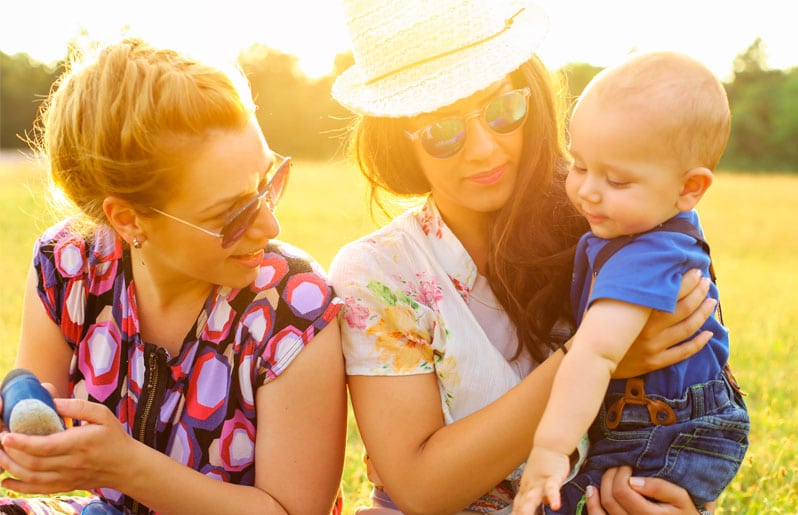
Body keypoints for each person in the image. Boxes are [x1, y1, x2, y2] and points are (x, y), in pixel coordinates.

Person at [328, 0, 719, 513]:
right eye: (443, 131)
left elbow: (695, 400)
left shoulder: (618, 220)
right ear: (400, 140)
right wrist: (597, 356)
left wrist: (679, 502)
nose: (486, 149)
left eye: (502, 109)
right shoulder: (378, 272)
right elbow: (421, 488)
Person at [0, 38, 347, 515]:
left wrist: (126, 467)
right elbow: (38, 422)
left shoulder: (293, 304)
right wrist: (29, 448)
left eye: (267, 185)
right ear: (127, 220)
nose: (271, 227)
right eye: (232, 212)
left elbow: (292, 511)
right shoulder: (68, 266)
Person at [513, 51, 750, 515]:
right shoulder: (660, 216)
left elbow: (595, 352)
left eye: (617, 180)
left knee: (564, 504)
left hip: (661, 431)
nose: (587, 191)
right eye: (579, 165)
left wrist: (547, 451)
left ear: (690, 187)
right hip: (676, 424)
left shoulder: (644, 253)